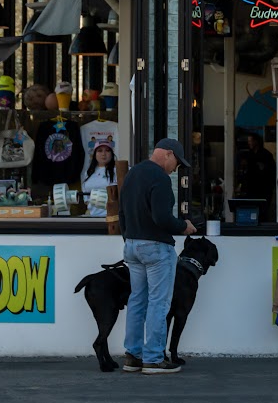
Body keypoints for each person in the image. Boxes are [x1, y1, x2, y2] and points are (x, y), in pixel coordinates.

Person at [118, 138, 194, 372]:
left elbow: (122, 213)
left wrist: (129, 239)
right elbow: (162, 218)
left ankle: (133, 355)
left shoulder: (132, 174)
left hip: (131, 245)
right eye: (177, 164)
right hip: (155, 247)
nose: (175, 169)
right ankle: (153, 358)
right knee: (158, 303)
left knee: (136, 301)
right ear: (168, 154)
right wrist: (184, 227)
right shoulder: (160, 178)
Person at [81, 139, 118, 218]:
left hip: (112, 217)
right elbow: (86, 199)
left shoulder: (118, 170)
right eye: (100, 151)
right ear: (95, 154)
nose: (103, 154)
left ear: (112, 153)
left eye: (107, 151)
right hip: (92, 217)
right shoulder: (88, 173)